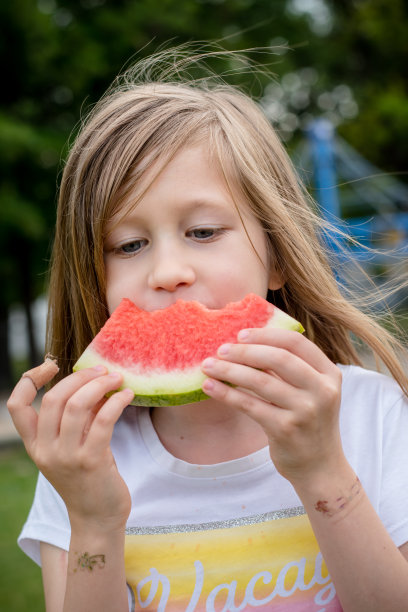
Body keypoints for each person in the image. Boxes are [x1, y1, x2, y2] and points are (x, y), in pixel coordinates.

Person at [7, 46, 408, 612]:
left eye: (202, 231)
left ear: (277, 257)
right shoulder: (83, 459)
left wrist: (323, 473)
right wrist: (94, 520)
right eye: (129, 245)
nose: (168, 272)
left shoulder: (371, 415)